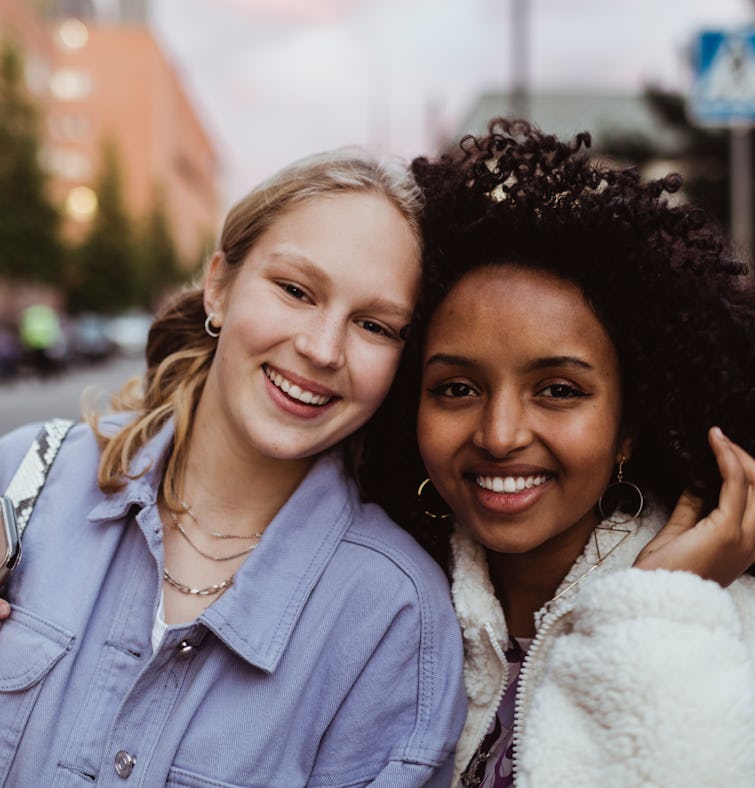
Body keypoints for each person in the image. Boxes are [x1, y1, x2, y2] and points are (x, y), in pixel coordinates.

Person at [362, 119, 755, 787]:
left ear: (628, 425)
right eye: (456, 388)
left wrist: (666, 613)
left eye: (557, 389)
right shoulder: (389, 603)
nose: (499, 434)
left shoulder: (745, 632)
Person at [0, 149, 466, 786]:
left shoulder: (394, 619)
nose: (322, 349)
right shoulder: (23, 479)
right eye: (296, 290)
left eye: (374, 325)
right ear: (219, 284)